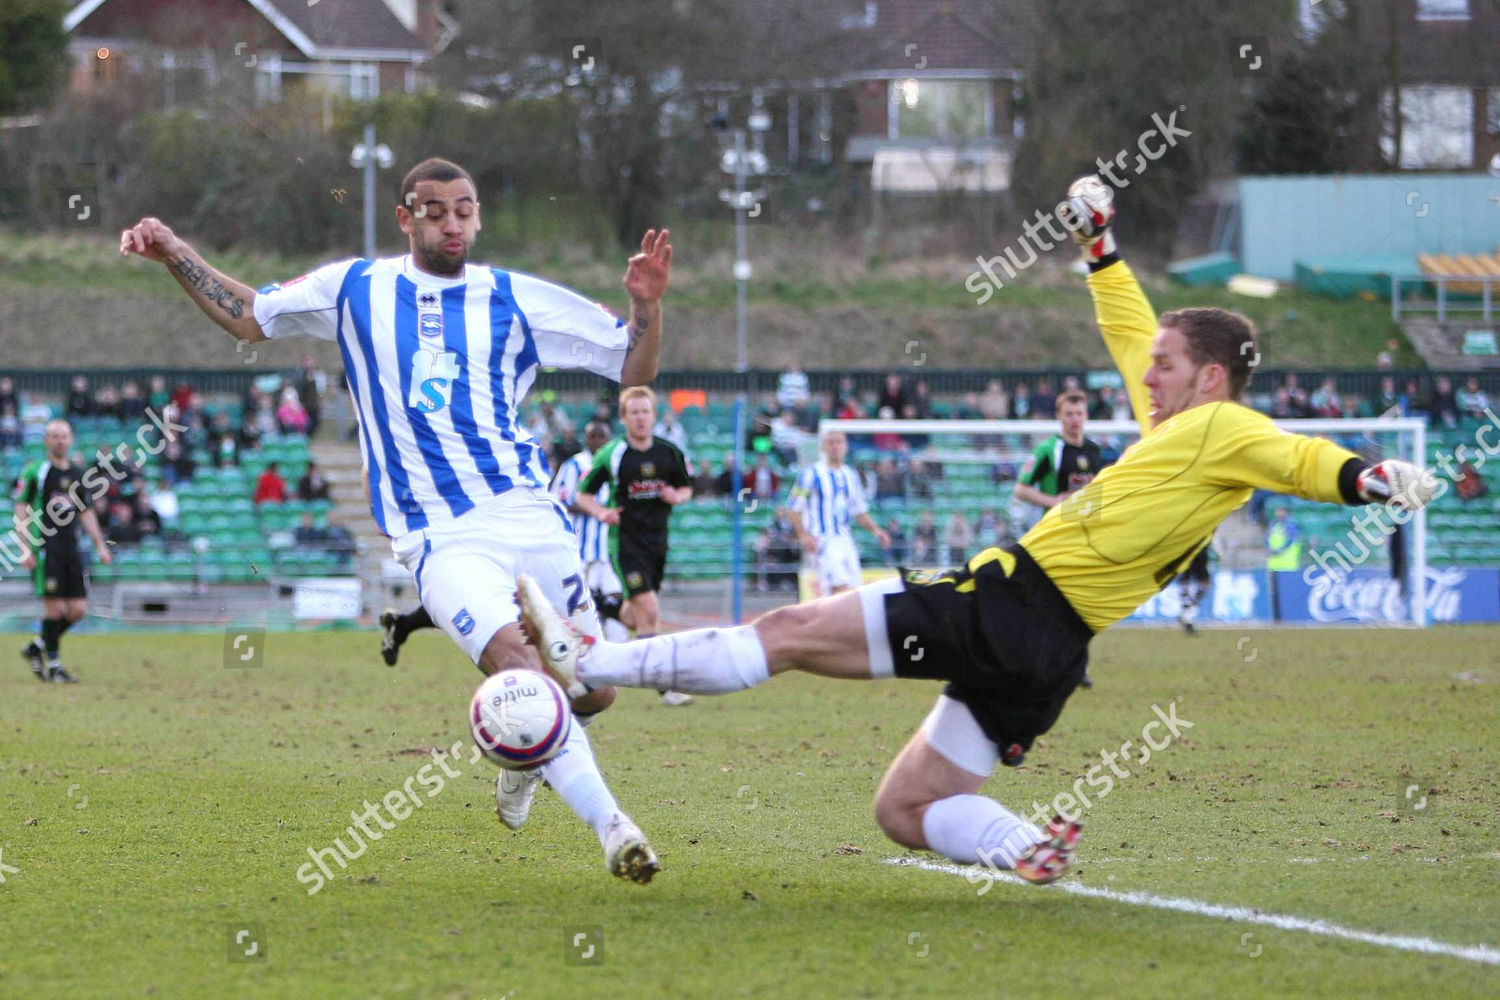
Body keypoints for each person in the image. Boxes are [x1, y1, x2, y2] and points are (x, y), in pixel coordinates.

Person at [514, 174, 1438, 887]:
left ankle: (588, 662)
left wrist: (1372, 478)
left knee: (787, 634)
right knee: (906, 808)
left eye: (1166, 366)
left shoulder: (1228, 428)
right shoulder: (1184, 429)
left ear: (1207, 379)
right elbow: (1131, 333)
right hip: (1052, 658)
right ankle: (1026, 846)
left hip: (1008, 603)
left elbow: (1302, 459)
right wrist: (1101, 246)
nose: (1144, 375)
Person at [119, 156, 673, 884]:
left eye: (466, 209)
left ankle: (523, 751)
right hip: (439, 535)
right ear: (406, 217)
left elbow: (633, 366)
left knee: (591, 685)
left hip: (529, 513)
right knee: (519, 662)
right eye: (436, 210)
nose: (453, 223)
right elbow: (251, 316)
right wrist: (174, 253)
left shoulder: (515, 297)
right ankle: (614, 828)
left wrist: (648, 307)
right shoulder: (356, 287)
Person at [574, 386, 695, 707]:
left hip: (659, 540)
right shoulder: (612, 454)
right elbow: (582, 495)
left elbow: (686, 489)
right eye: (634, 412)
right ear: (624, 417)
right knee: (651, 610)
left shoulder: (670, 452)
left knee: (639, 617)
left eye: (645, 411)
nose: (640, 418)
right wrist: (602, 512)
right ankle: (662, 686)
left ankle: (606, 606)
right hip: (626, 542)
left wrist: (676, 496)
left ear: (653, 416)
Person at [11, 419, 113, 682]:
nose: (60, 441)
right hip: (45, 547)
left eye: (64, 436)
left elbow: (86, 512)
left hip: (71, 547)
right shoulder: (36, 471)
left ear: (70, 440)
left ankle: (38, 646)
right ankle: (54, 666)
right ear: (46, 440)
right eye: (55, 436)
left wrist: (100, 544)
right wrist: (24, 548)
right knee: (54, 609)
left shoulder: (79, 474)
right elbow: (21, 509)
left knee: (78, 609)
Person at [786, 429, 890, 597]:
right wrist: (803, 535)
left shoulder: (850, 475)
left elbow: (858, 510)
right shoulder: (810, 474)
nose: (835, 446)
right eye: (831, 442)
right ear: (823, 447)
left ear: (846, 446)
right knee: (839, 591)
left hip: (845, 540)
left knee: (853, 591)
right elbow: (792, 507)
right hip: (822, 539)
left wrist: (876, 530)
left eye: (839, 442)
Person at [1008, 390, 1104, 539]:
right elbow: (1020, 489)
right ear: (1058, 415)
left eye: (1079, 413)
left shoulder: (1094, 449)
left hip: (1091, 531)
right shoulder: (1048, 449)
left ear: (1086, 415)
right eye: (1069, 414)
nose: (1075, 419)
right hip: (1058, 531)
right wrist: (1053, 501)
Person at [1175, 544, 1212, 635]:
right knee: (1186, 582)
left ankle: (1185, 614)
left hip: (1199, 550)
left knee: (1203, 585)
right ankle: (1186, 616)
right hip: (1188, 549)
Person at [1265, 504, 1301, 571]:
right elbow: (1267, 538)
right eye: (1278, 510)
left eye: (1281, 510)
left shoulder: (1291, 525)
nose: (1279, 513)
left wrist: (1280, 550)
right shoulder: (1272, 524)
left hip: (1288, 564)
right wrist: (1268, 548)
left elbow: (1291, 540)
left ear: (1286, 512)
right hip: (1273, 563)